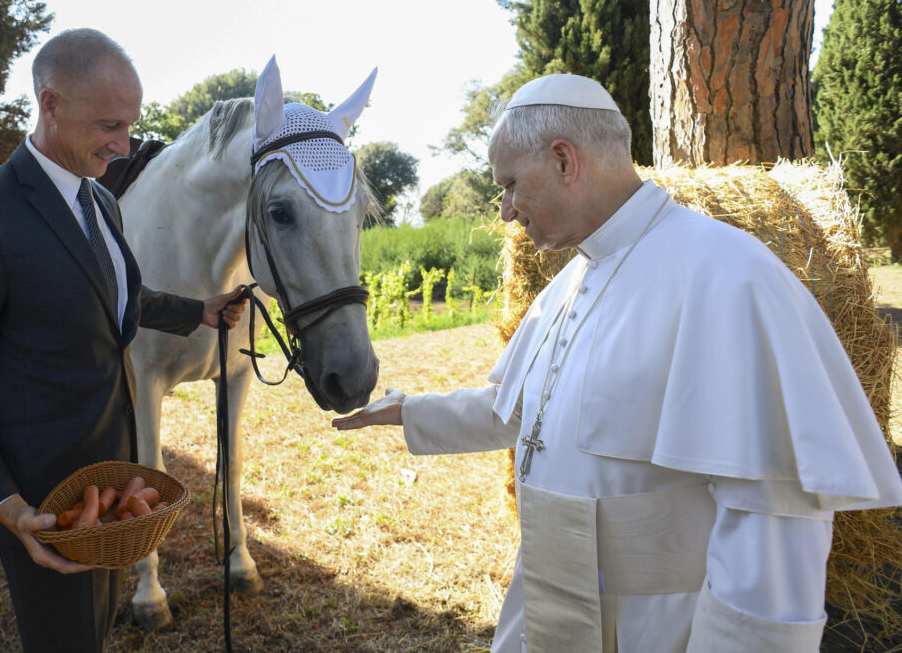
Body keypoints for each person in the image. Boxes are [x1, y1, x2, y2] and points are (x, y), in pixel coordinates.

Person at [333, 74, 902, 652]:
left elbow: (774, 523)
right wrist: (411, 412)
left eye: (509, 185)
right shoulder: (567, 284)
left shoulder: (730, 276)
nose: (505, 211)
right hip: (545, 606)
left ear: (564, 160)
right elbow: (528, 413)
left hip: (655, 629)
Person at [0, 28, 247, 652]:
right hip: (46, 506)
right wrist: (8, 507)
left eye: (130, 125)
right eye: (109, 126)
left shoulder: (101, 201)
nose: (124, 146)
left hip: (112, 487)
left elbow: (116, 296)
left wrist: (198, 311)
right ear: (51, 105)